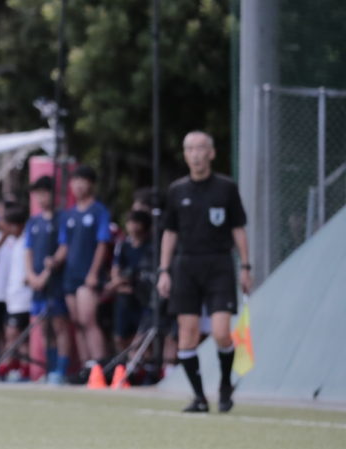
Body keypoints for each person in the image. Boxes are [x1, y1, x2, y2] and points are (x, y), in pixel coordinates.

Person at [157, 130, 251, 413]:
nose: (195, 154)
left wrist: (245, 266)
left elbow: (238, 228)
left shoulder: (226, 188)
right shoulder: (177, 190)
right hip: (186, 266)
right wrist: (164, 270)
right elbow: (170, 233)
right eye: (190, 149)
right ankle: (199, 397)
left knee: (222, 332)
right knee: (187, 335)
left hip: (219, 264)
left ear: (211, 153)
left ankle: (225, 384)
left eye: (200, 148)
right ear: (185, 155)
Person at [51, 165, 111, 378]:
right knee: (76, 322)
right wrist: (53, 261)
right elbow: (64, 246)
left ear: (91, 184)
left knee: (88, 320)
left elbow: (102, 244)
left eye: (82, 181)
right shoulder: (68, 214)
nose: (77, 185)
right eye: (74, 181)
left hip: (88, 275)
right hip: (70, 275)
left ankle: (100, 365)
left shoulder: (99, 211)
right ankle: (86, 367)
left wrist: (93, 273)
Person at [25, 175, 71, 384]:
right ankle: (49, 368)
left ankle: (61, 370)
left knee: (59, 325)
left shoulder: (62, 219)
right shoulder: (33, 221)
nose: (41, 198)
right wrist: (31, 276)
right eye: (37, 194)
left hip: (55, 282)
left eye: (44, 193)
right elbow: (28, 250)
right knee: (43, 328)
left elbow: (63, 248)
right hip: (37, 285)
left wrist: (46, 274)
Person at [0, 204, 33, 381]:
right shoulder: (12, 241)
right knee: (13, 334)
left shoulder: (26, 242)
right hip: (12, 297)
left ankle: (16, 368)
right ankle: (15, 367)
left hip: (23, 297)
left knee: (14, 334)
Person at [107, 210, 152, 352]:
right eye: (130, 222)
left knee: (141, 337)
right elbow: (116, 268)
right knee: (120, 337)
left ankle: (141, 362)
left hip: (143, 297)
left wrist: (117, 283)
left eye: (136, 222)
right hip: (124, 296)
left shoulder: (150, 246)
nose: (132, 226)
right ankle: (128, 360)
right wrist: (117, 282)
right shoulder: (123, 245)